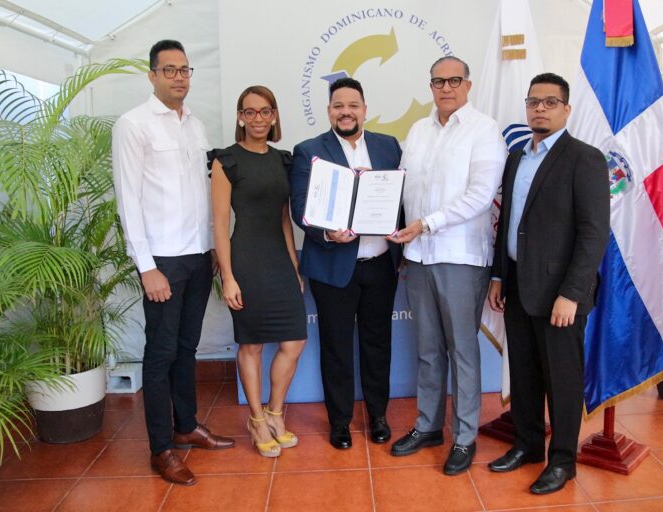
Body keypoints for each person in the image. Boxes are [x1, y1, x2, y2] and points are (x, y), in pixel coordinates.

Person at [112, 40, 234, 487]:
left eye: (185, 70)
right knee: (160, 354)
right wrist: (146, 266)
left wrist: (215, 254)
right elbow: (128, 199)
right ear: (152, 76)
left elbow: (205, 194)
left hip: (198, 256)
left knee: (187, 348)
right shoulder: (133, 125)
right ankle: (161, 448)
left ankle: (187, 426)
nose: (179, 77)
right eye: (170, 70)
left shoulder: (195, 125)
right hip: (162, 258)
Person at [486, 73, 609, 494]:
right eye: (534, 101)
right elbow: (507, 225)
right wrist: (500, 274)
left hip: (561, 294)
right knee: (523, 372)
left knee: (562, 379)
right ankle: (528, 446)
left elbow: (594, 234)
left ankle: (562, 461)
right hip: (518, 285)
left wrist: (571, 294)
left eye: (550, 102)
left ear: (566, 109)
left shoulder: (585, 158)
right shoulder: (516, 158)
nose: (540, 108)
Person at [390, 56, 506, 476]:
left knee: (462, 350)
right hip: (418, 257)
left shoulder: (484, 130)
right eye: (438, 80)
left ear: (468, 84)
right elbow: (401, 189)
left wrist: (426, 224)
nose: (446, 88)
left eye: (454, 80)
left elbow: (480, 195)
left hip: (459, 255)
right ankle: (428, 426)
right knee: (426, 350)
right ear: (431, 84)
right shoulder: (419, 131)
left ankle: (465, 436)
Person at [290, 77, 403, 450]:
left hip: (379, 265)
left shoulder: (388, 147)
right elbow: (302, 208)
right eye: (338, 106)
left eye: (353, 105)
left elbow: (401, 199)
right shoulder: (310, 151)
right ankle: (339, 422)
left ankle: (378, 416)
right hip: (333, 267)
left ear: (365, 109)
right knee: (336, 348)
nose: (346, 112)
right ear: (329, 112)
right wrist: (327, 234)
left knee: (377, 344)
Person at [209, 85, 307, 458]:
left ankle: (275, 413)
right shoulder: (225, 161)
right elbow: (220, 224)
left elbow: (284, 219)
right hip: (245, 259)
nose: (258, 119)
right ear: (240, 117)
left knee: (294, 341)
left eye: (265, 111)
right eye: (249, 112)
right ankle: (256, 420)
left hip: (279, 259)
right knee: (252, 343)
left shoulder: (284, 161)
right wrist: (228, 276)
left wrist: (294, 267)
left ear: (274, 115)